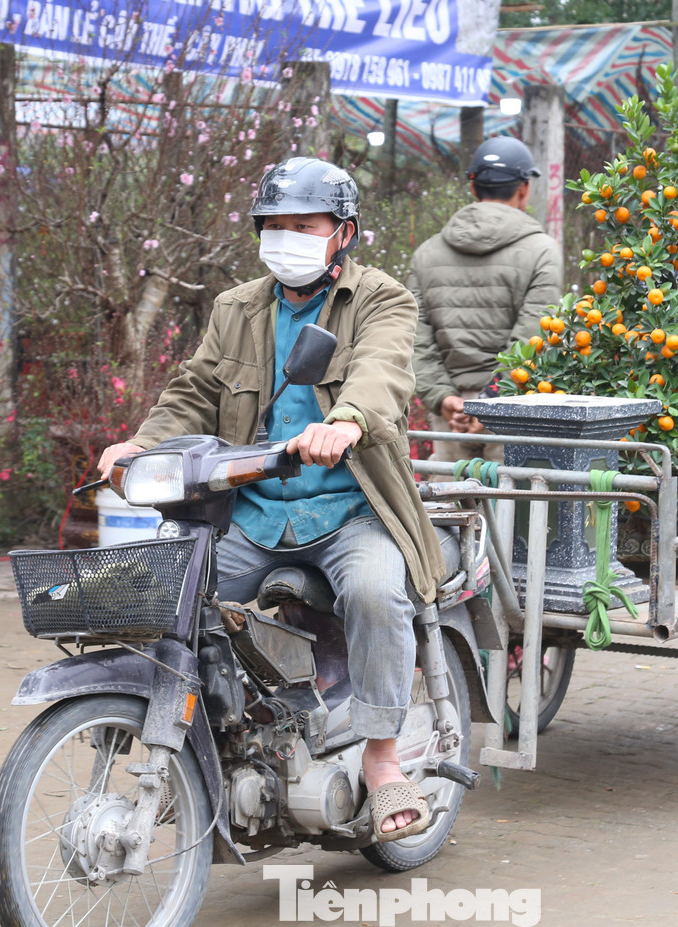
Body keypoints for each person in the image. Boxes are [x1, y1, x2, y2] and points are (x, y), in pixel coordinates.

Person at [97, 157, 447, 842]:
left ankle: (381, 758)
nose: (286, 236)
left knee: (378, 592)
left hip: (352, 510)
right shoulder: (237, 308)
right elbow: (194, 391)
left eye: (303, 225)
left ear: (342, 232)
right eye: (274, 225)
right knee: (158, 595)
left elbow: (383, 370)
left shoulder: (382, 298)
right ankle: (190, 744)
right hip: (253, 513)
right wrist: (139, 444)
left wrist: (347, 420)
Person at [408, 136, 563, 463]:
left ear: (473, 187)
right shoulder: (542, 252)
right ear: (524, 188)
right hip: (514, 412)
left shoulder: (427, 253)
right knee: (507, 507)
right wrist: (494, 400)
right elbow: (533, 337)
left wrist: (445, 398)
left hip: (450, 415)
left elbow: (415, 338)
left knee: (448, 508)